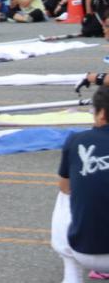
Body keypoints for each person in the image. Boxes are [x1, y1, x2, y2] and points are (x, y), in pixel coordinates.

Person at [52, 85, 109, 283]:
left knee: (65, 193)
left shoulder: (76, 140)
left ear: (101, 114)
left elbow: (65, 187)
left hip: (83, 251)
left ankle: (71, 275)